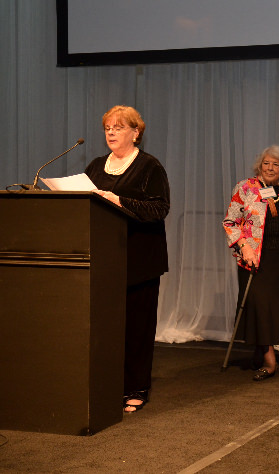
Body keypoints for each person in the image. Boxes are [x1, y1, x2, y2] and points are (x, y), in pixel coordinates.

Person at [85, 105, 170, 413]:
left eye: (119, 127)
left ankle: (136, 387)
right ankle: (108, 384)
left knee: (136, 327)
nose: (111, 132)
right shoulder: (95, 166)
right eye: (108, 127)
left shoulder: (149, 167)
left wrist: (117, 199)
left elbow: (160, 208)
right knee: (106, 327)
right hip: (105, 260)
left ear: (136, 132)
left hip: (140, 261)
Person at [222, 145, 279, 381]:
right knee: (260, 306)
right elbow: (230, 222)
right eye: (266, 163)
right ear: (260, 165)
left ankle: (263, 354)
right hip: (255, 258)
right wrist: (244, 247)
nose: (270, 167)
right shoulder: (245, 188)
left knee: (273, 309)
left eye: (275, 164)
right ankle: (270, 362)